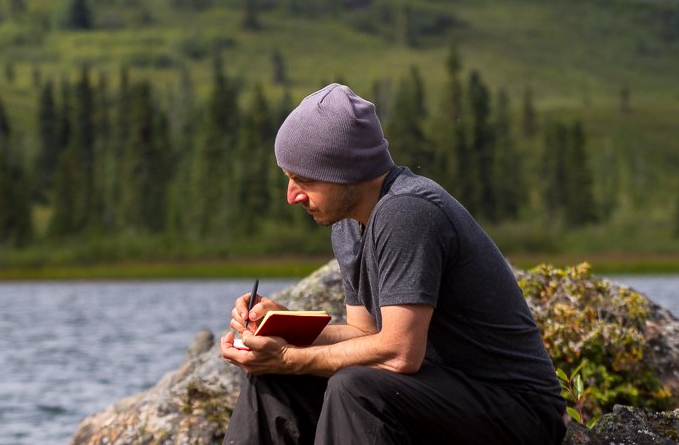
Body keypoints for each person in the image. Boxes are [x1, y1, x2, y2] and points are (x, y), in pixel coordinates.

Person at [219, 83, 566, 444]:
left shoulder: (407, 210)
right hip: (438, 398)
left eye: (303, 180)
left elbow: (400, 355)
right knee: (275, 379)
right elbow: (367, 336)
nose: (292, 196)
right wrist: (285, 328)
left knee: (354, 387)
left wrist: (290, 357)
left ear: (348, 172)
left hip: (520, 414)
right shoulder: (348, 225)